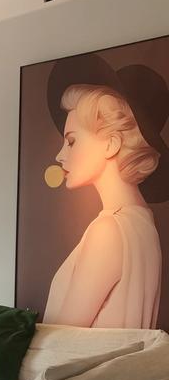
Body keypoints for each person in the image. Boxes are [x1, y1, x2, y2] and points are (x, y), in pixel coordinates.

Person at [43, 81, 162, 328]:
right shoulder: (143, 222)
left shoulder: (108, 230)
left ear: (111, 144)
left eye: (71, 141)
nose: (60, 155)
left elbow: (63, 338)